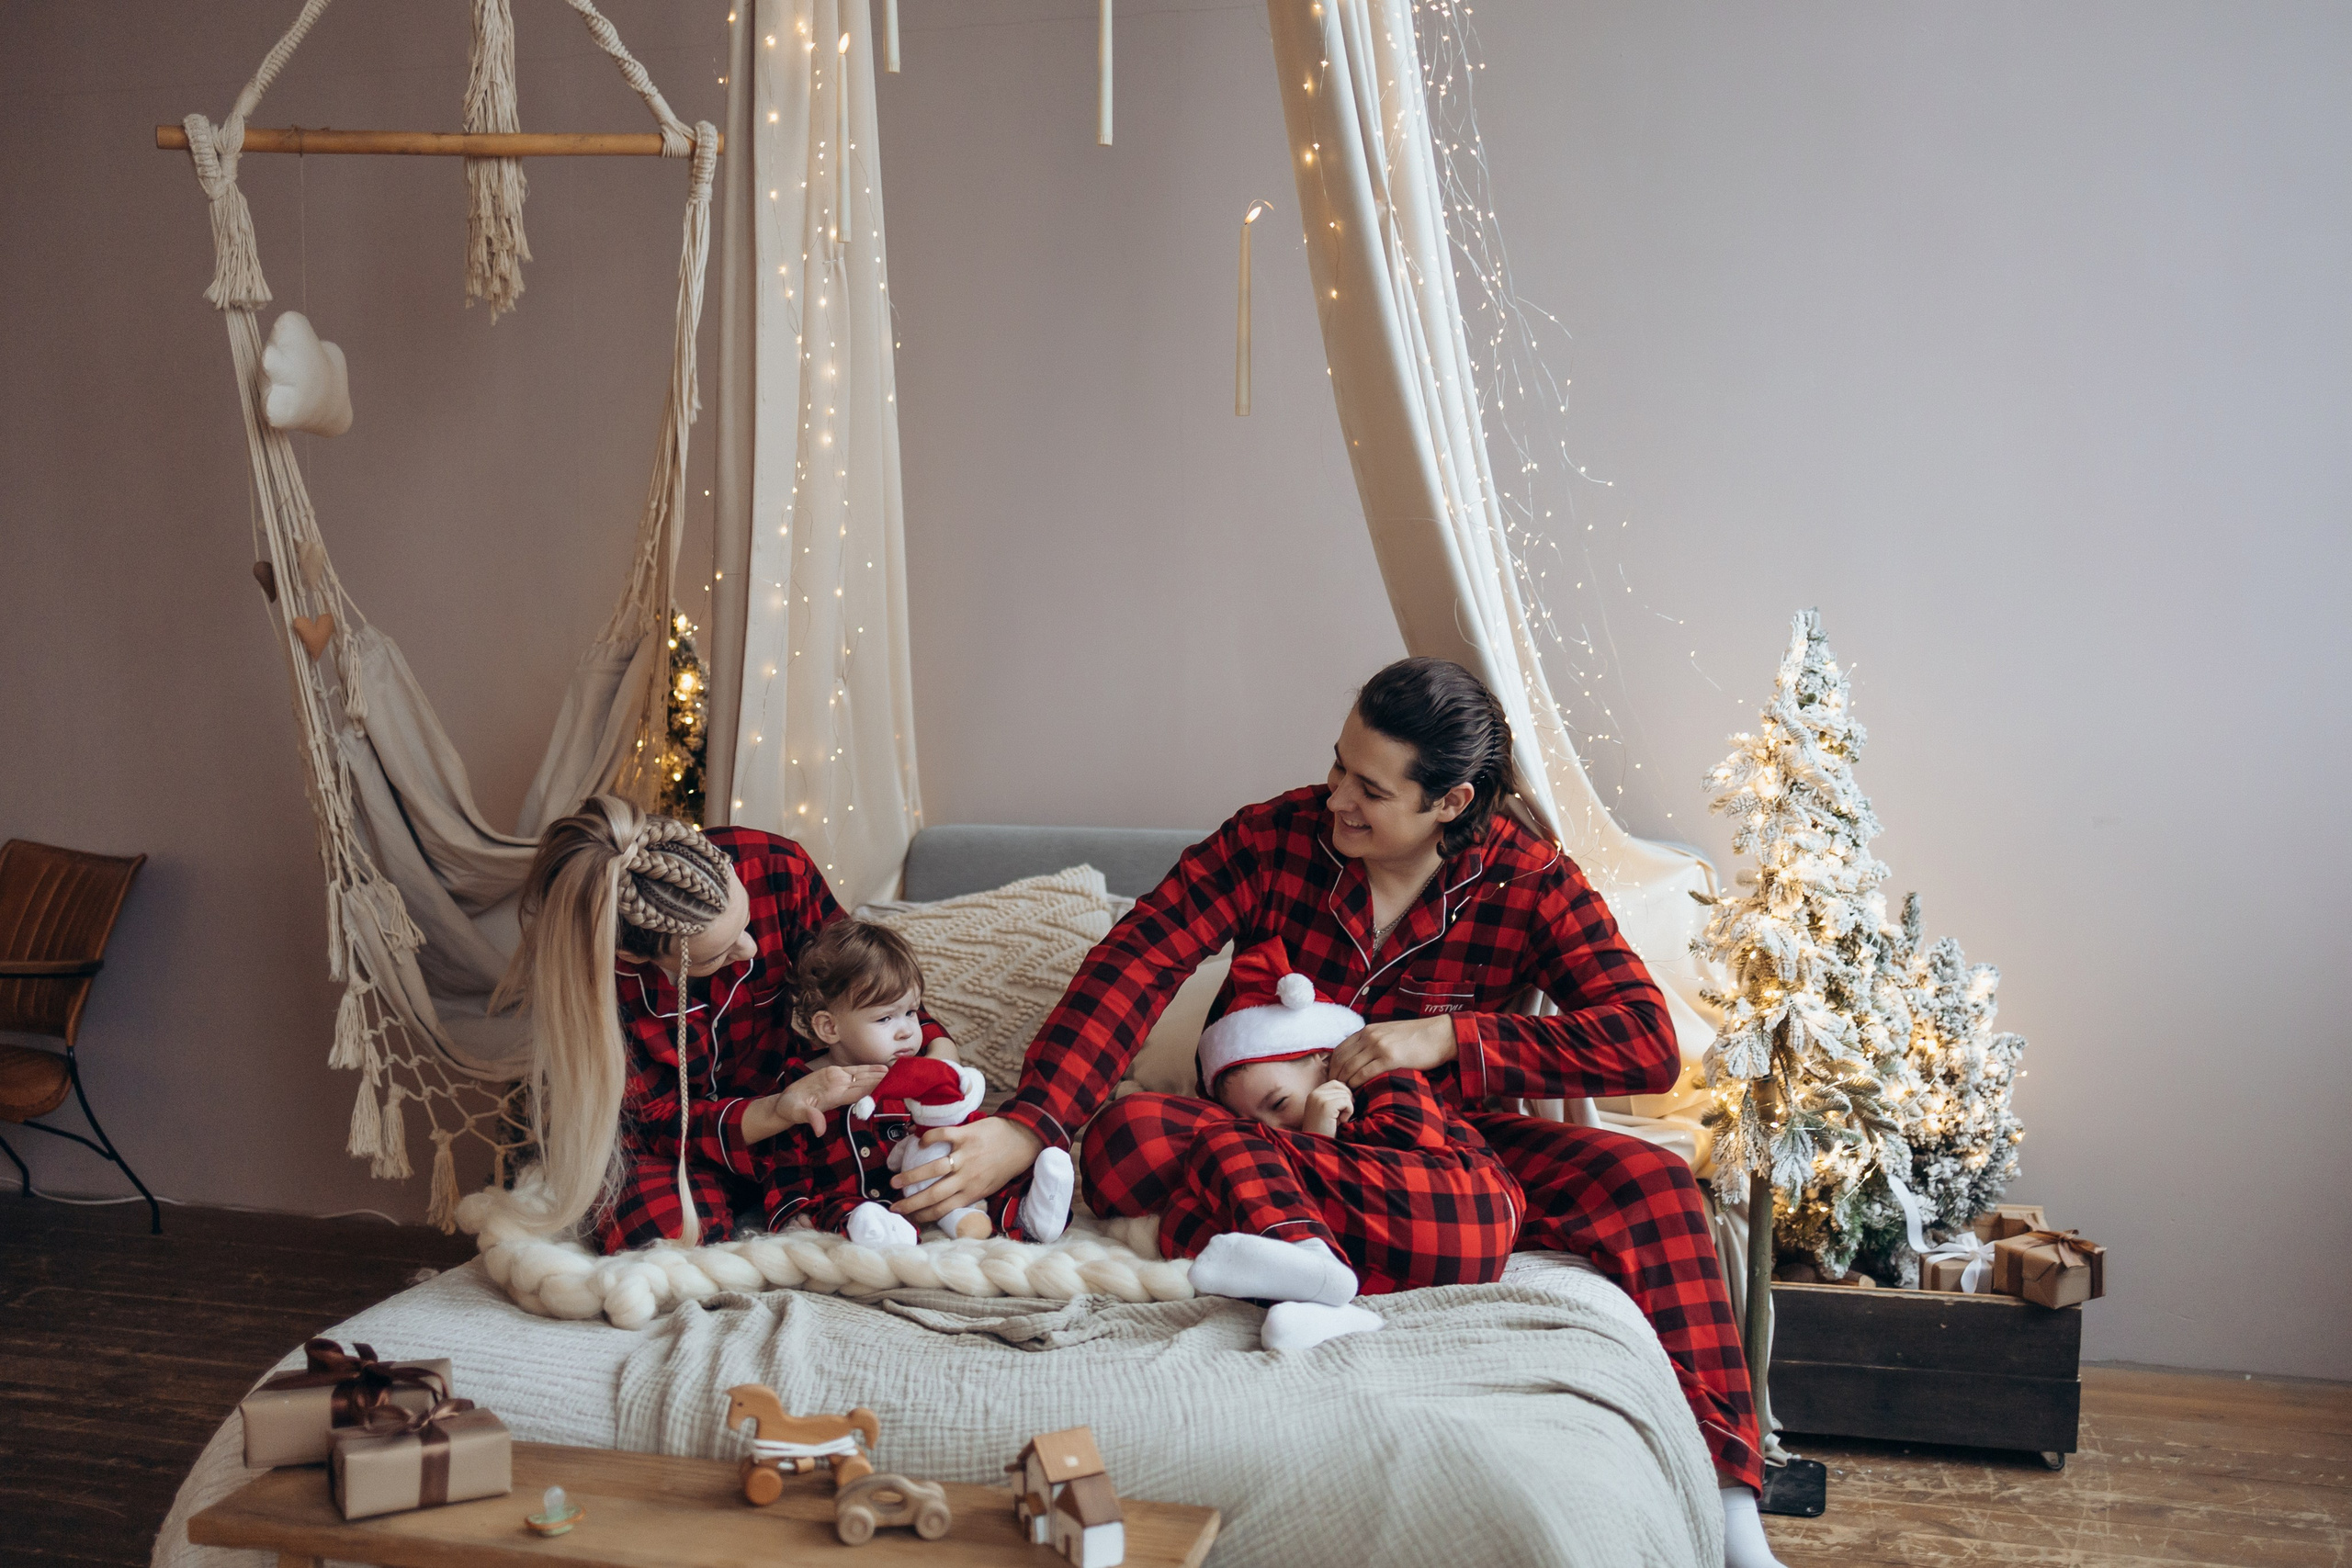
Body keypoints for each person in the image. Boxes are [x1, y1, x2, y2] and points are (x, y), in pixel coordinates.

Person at [883, 657, 1783, 1568]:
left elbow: (1642, 1040)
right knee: (1127, 1137)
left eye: (1370, 787)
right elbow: (1138, 962)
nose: (1335, 797)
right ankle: (1314, 1244)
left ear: (1449, 801)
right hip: (1258, 1141)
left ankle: (1732, 1513)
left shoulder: (1528, 880)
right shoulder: (1269, 841)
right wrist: (1030, 1123)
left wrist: (1445, 1039)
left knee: (1655, 1181)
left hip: (1433, 1149)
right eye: (1337, 765)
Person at [498, 795, 963, 1251]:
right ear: (634, 955)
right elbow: (654, 1120)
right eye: (717, 955)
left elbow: (867, 983)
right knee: (660, 1235)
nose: (752, 949)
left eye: (745, 921)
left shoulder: (775, 868)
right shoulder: (592, 985)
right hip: (681, 1145)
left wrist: (942, 1064)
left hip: (809, 1127)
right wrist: (773, 1111)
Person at [1166, 935, 1522, 1352]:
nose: (1272, 1131)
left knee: (1224, 1144)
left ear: (1325, 1062)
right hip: (1393, 1251)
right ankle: (1322, 1305)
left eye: (1279, 1103)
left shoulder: (1388, 1078)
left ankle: (1313, 1266)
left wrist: (1320, 1137)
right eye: (1255, 1120)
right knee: (1183, 1211)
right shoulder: (1288, 1158)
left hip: (1464, 1207)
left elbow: (1410, 1141)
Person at [757, 918, 1075, 1247]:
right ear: (829, 1028)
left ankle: (1031, 1214)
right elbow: (783, 1161)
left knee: (979, 1181)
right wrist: (790, 1209)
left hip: (928, 1194)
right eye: (885, 1018)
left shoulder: (916, 1075)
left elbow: (955, 1126)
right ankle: (876, 1232)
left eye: (911, 1012)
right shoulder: (802, 1084)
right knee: (839, 1212)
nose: (907, 1030)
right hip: (851, 1200)